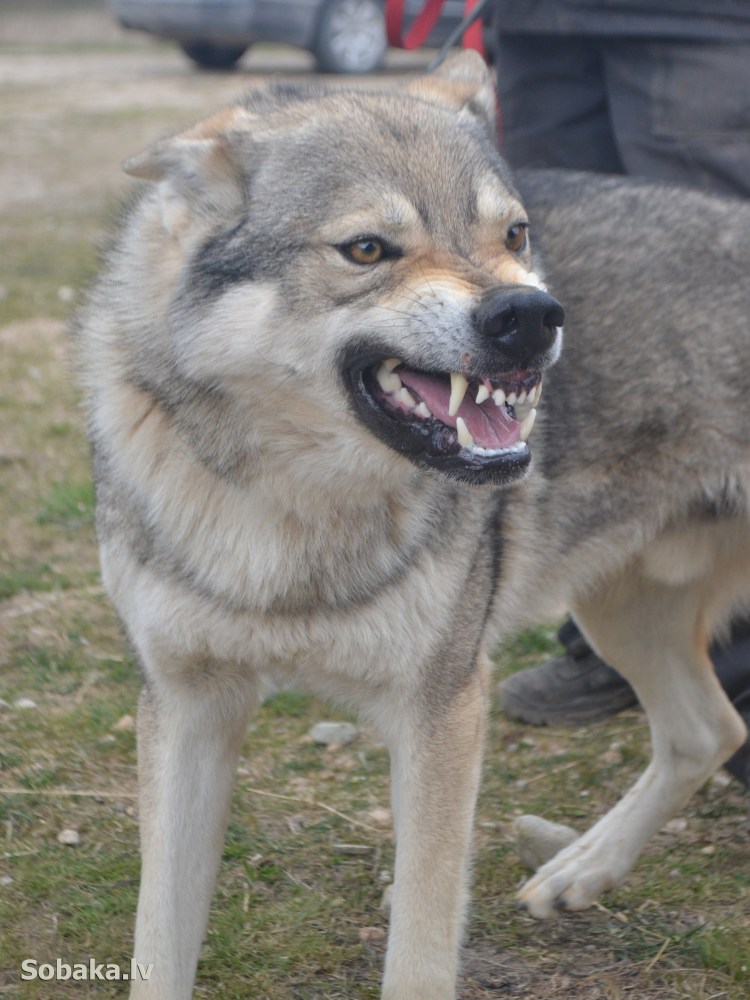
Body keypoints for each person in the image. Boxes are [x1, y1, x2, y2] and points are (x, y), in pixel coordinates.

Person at [490, 0, 750, 786]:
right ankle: (618, 630)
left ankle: (738, 675)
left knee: (723, 301)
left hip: (697, 18)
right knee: (551, 301)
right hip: (537, 21)